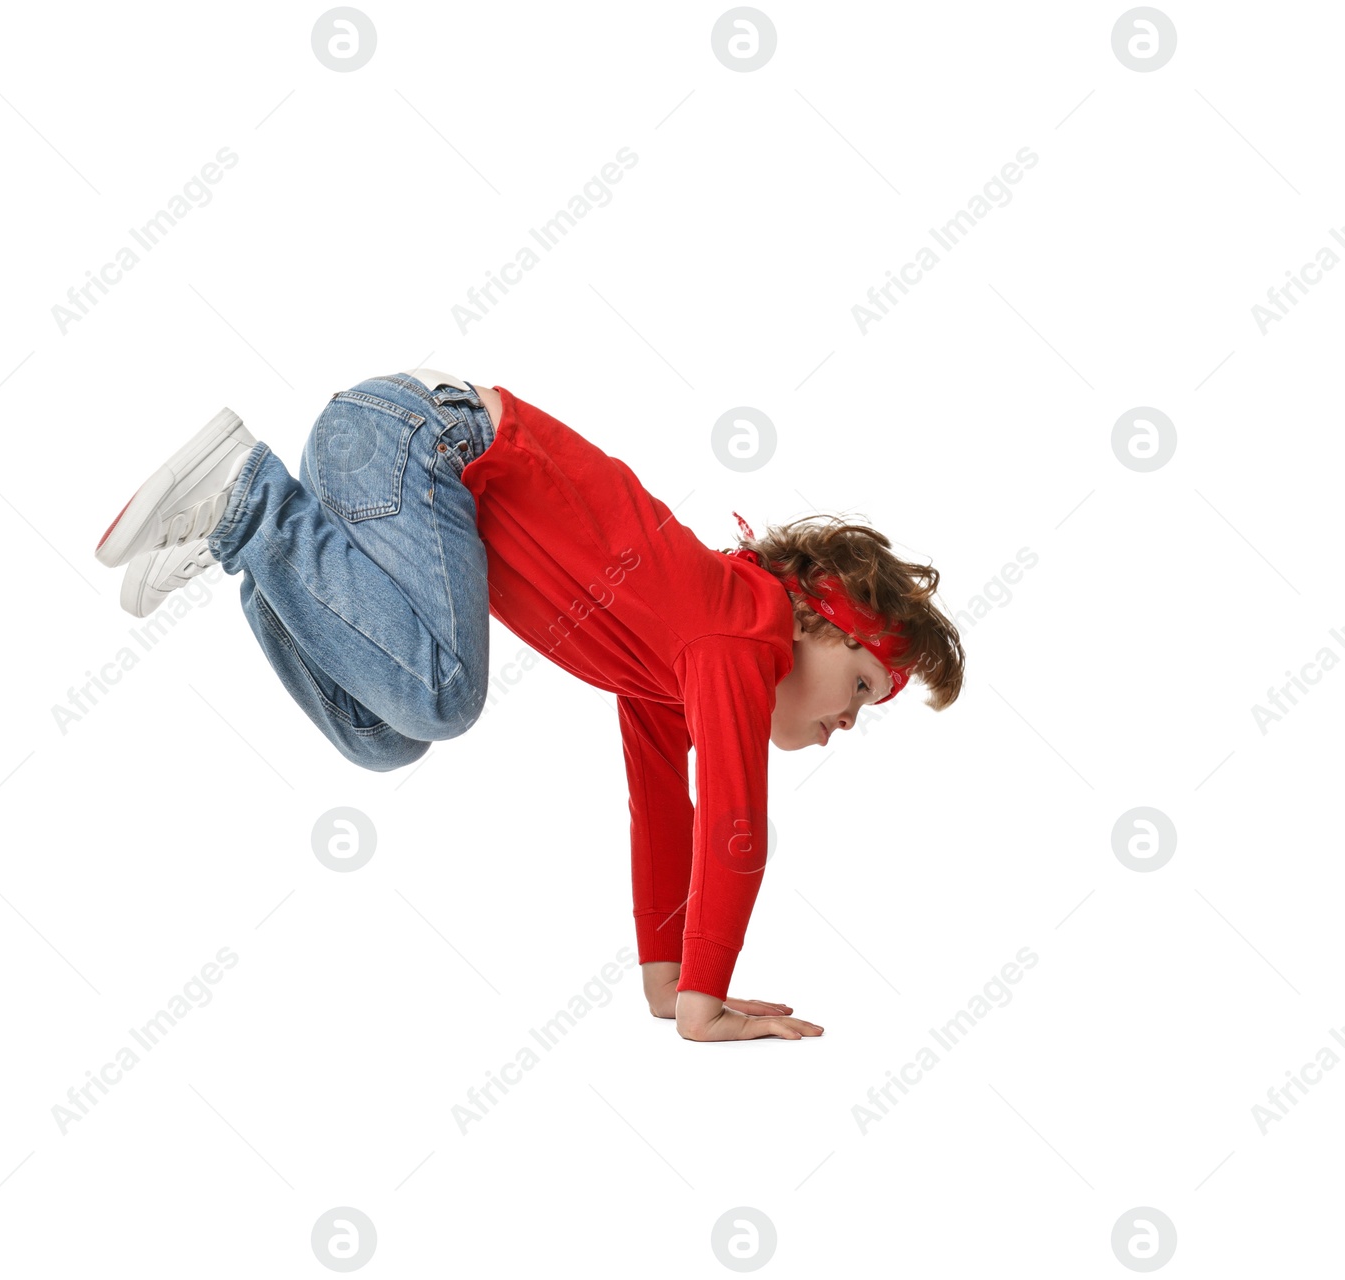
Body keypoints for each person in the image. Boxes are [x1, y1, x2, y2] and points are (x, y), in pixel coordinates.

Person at [94, 369, 965, 1042]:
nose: (848, 720)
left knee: (382, 737)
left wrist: (669, 980)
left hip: (382, 463)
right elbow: (735, 825)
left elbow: (667, 812)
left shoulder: (677, 670)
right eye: (861, 688)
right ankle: (249, 499)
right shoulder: (742, 635)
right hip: (418, 441)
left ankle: (251, 546)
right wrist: (709, 1002)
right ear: (816, 618)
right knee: (443, 694)